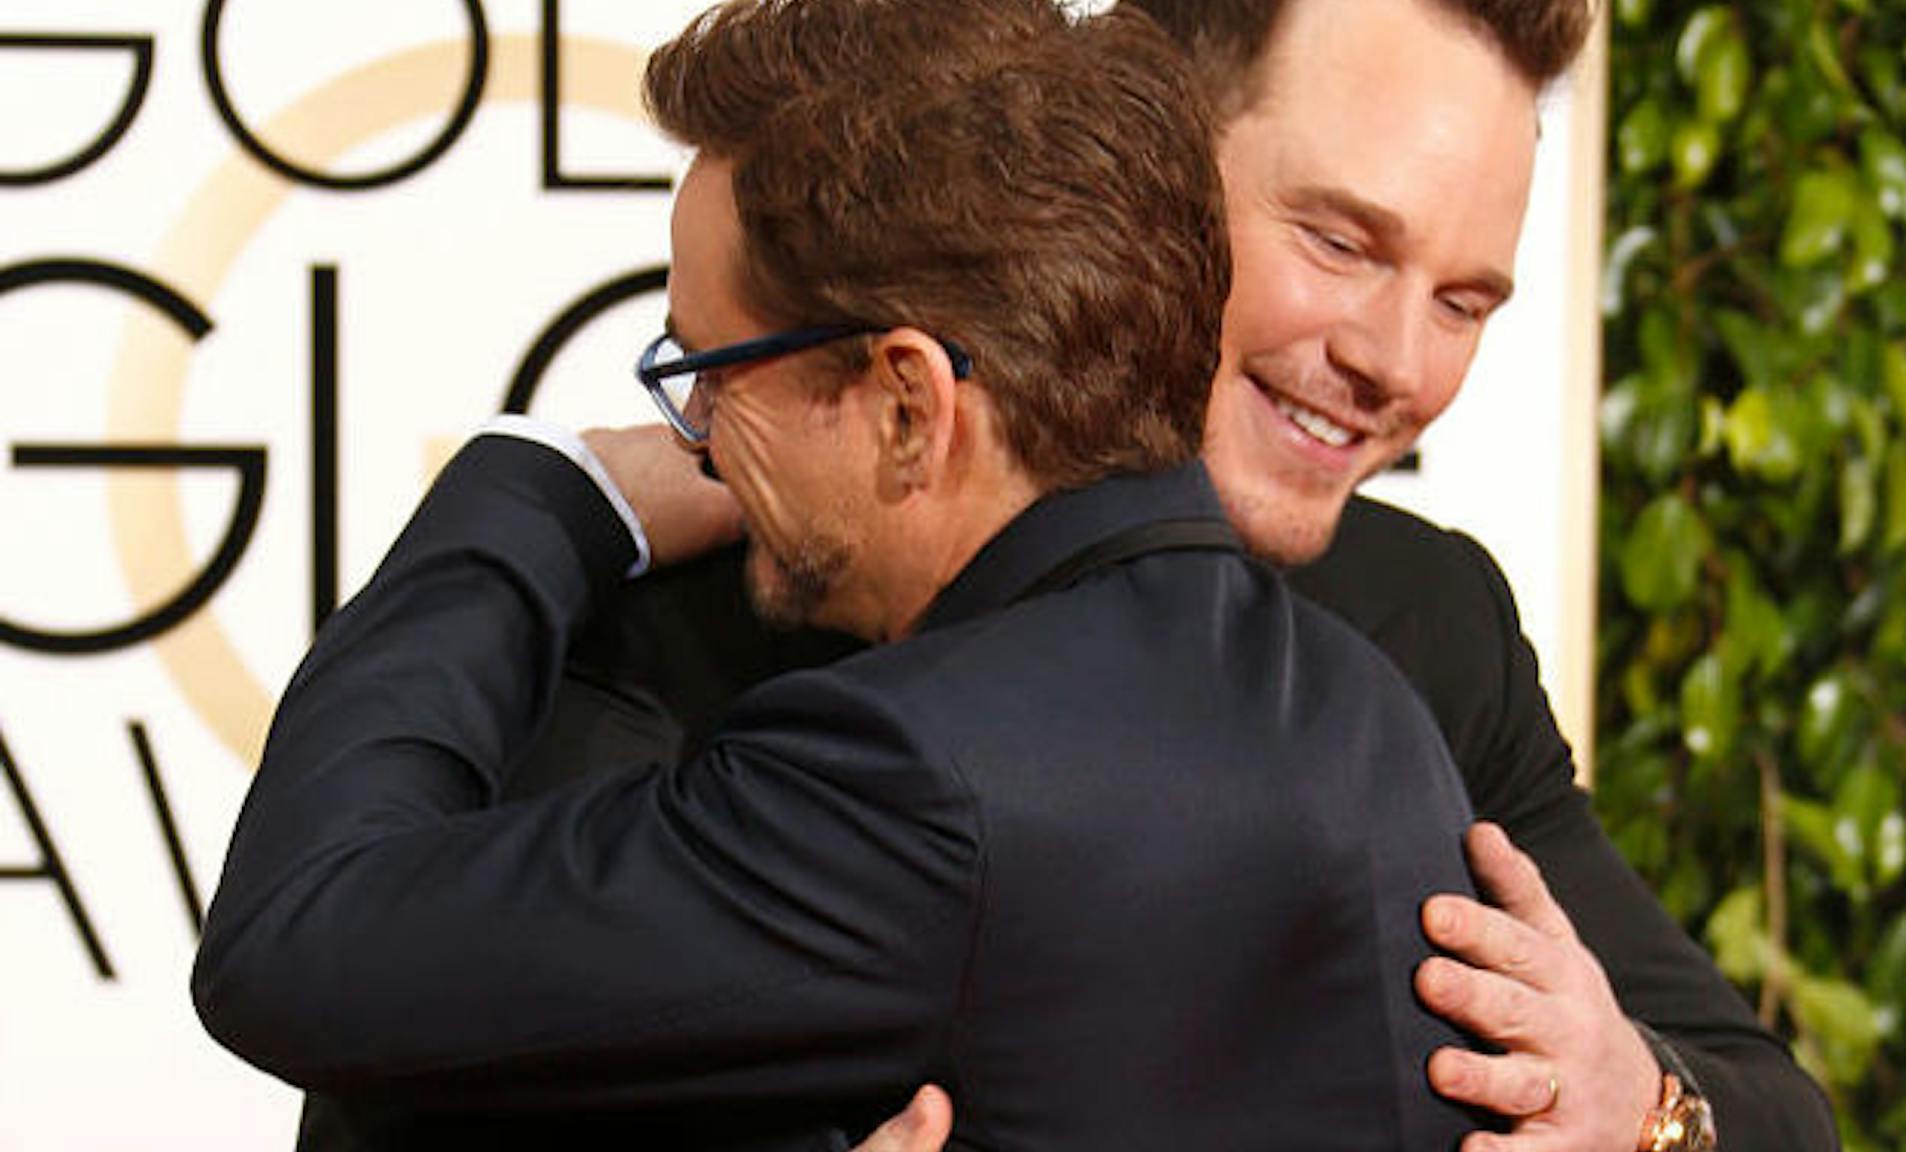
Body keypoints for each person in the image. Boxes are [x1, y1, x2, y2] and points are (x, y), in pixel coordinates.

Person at [513, 0, 1844, 1149]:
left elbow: (1777, 1111)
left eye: (1463, 303)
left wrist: (1641, 1102)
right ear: (1130, 159)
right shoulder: (721, 599)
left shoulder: (1430, 623)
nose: (1396, 361)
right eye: (1339, 242)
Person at [193, 1, 1487, 1148]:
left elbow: (294, 942)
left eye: (714, 370)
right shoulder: (1372, 717)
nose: (690, 426)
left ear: (908, 403)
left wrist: (550, 485)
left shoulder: (907, 780)